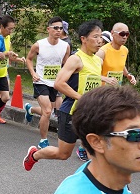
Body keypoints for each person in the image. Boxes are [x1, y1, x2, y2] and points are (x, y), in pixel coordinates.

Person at [23, 20, 110, 170]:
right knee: (63, 154)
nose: (99, 40)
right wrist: (82, 98)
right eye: (95, 37)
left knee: (96, 149)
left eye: (100, 37)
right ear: (84, 39)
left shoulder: (98, 60)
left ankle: (97, 183)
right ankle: (34, 154)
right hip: (71, 111)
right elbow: (59, 83)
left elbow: (91, 82)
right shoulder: (76, 59)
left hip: (89, 113)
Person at [24, 17, 71, 149]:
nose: (58, 31)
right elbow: (29, 59)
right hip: (41, 82)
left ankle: (30, 109)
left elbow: (66, 65)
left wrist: (64, 79)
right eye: (55, 28)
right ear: (48, 29)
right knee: (47, 111)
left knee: (58, 111)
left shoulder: (65, 46)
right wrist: (33, 73)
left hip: (55, 83)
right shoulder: (39, 44)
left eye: (61, 28)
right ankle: (43, 140)